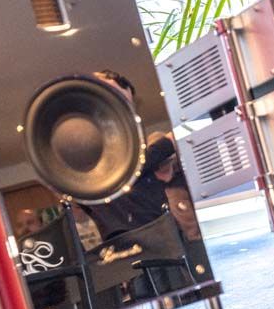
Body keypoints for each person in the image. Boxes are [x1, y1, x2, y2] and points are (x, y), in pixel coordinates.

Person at [76, 69, 198, 240]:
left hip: (164, 238)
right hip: (128, 243)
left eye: (125, 103)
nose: (119, 108)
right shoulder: (80, 148)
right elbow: (122, 170)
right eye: (111, 96)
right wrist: (169, 142)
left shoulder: (127, 148)